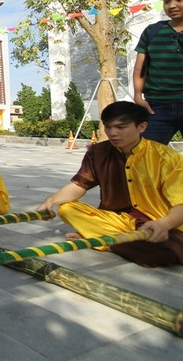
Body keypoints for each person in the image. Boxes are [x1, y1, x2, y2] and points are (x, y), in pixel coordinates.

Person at [37, 101, 183, 267]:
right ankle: (114, 241)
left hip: (157, 221)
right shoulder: (98, 152)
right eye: (108, 126)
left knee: (165, 255)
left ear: (141, 127)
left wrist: (165, 223)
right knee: (67, 209)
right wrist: (51, 200)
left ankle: (102, 240)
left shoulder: (166, 158)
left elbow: (181, 202)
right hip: (118, 219)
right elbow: (79, 185)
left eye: (121, 127)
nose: (113, 133)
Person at [132, 0, 183, 144]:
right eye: (167, 1)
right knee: (145, 157)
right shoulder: (152, 31)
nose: (172, 5)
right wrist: (138, 96)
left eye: (179, 0)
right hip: (156, 107)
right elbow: (141, 68)